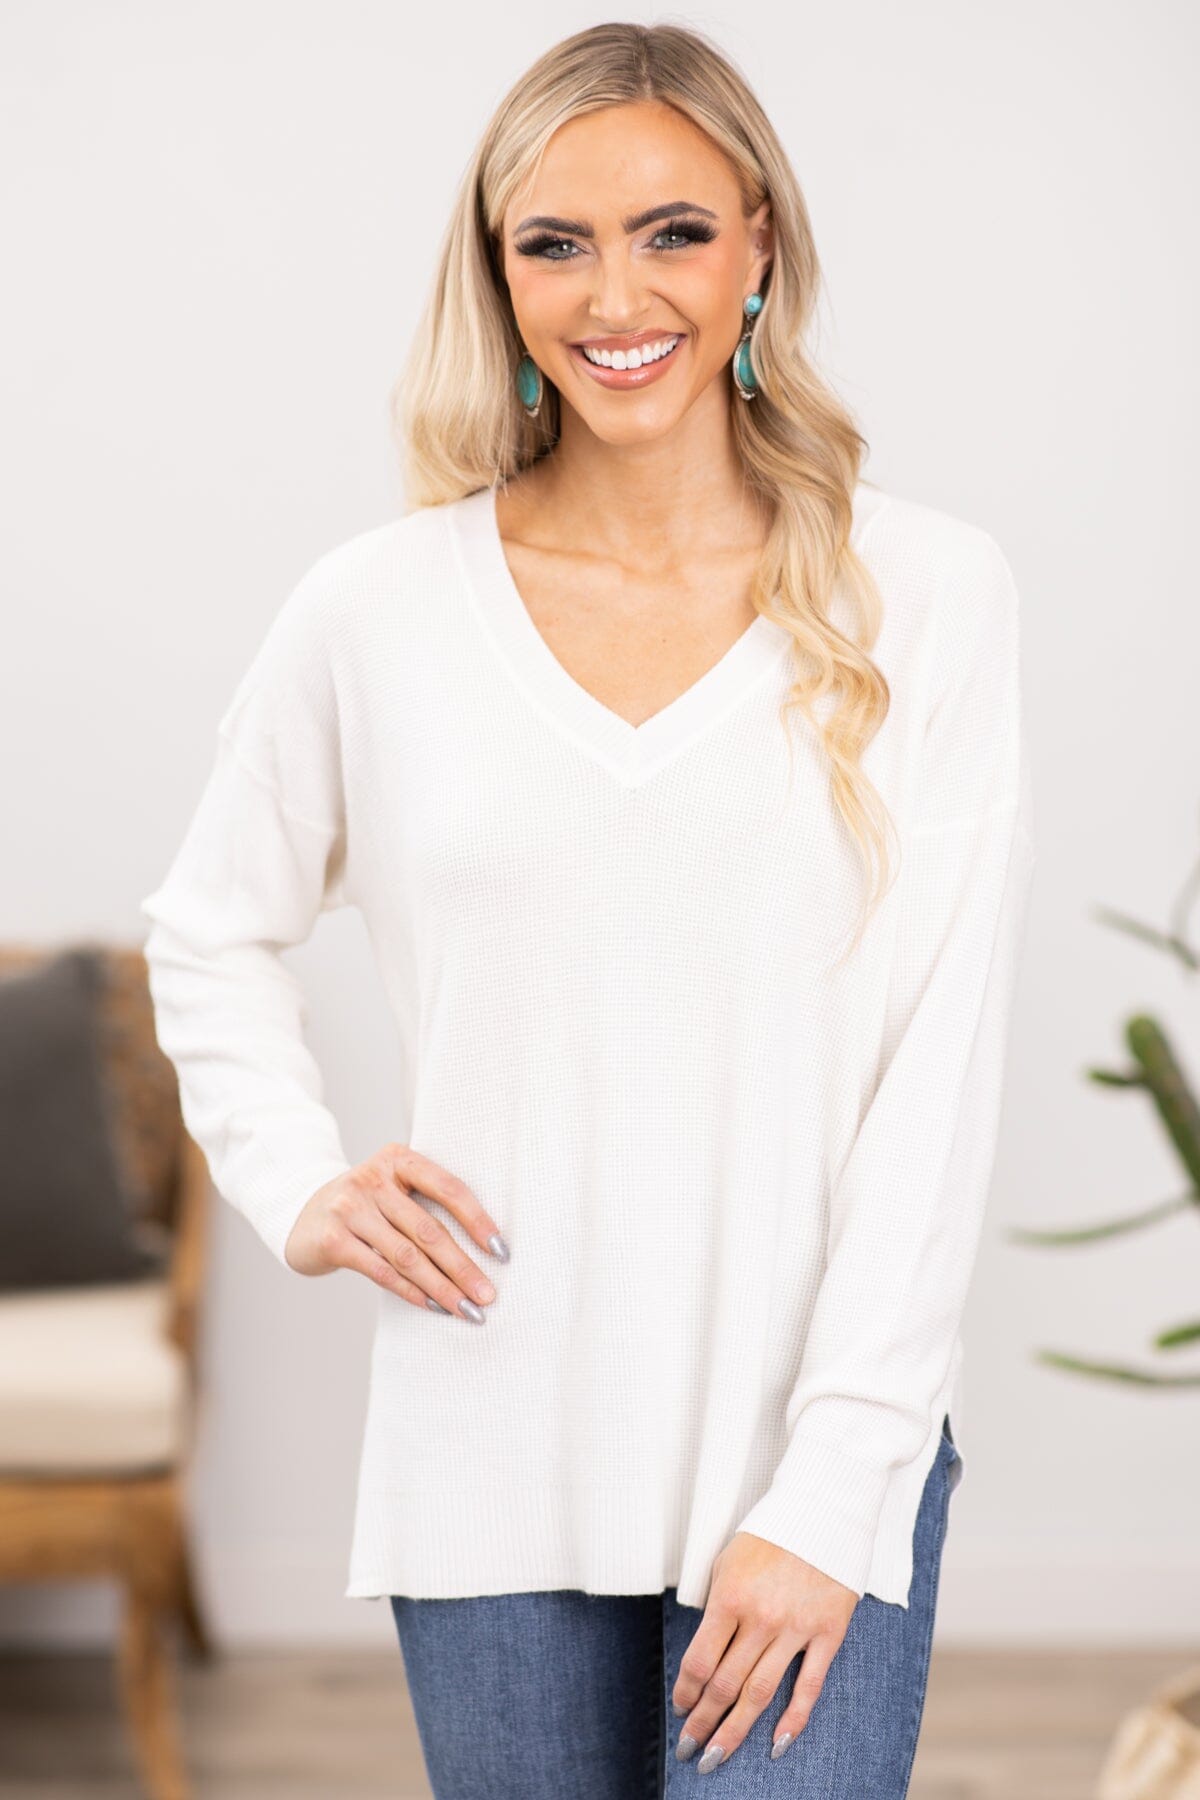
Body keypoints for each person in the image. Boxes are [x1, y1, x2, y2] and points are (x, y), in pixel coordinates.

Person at [139, 20, 1035, 1798]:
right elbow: (209, 927)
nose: (617, 296)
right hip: (490, 1448)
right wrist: (300, 1180)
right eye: (555, 243)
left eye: (672, 232)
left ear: (761, 244)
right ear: (499, 277)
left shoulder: (929, 594)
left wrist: (836, 1481)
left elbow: (938, 1078)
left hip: (808, 1455)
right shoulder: (379, 612)